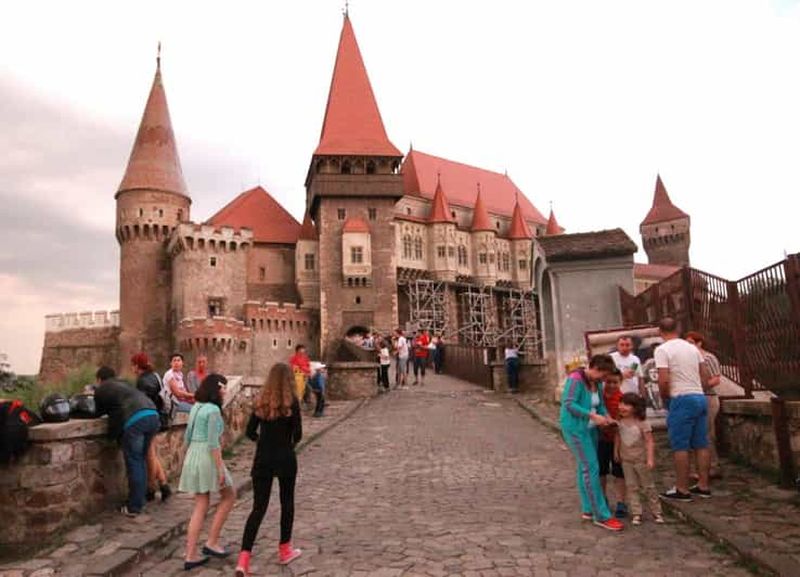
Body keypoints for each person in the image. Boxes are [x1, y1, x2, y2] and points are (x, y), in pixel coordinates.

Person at [235, 363, 303, 576]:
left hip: (263, 459)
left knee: (258, 508)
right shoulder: (291, 403)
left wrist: (261, 442)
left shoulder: (261, 403)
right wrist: (287, 444)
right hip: (285, 458)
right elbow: (298, 434)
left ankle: (243, 560)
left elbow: (249, 431)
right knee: (287, 503)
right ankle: (285, 550)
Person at [559, 354, 623, 532]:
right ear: (594, 368)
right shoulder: (575, 380)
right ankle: (601, 514)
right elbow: (569, 404)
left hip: (591, 428)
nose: (604, 380)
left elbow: (600, 404)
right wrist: (591, 415)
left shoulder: (597, 383)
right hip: (575, 429)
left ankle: (588, 508)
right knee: (591, 468)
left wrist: (607, 417)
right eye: (602, 375)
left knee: (584, 467)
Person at [179, 374, 236, 571]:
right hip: (206, 455)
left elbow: (187, 436)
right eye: (223, 388)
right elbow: (213, 443)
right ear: (216, 389)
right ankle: (211, 542)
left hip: (194, 453)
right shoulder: (212, 410)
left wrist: (186, 459)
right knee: (229, 495)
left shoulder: (196, 406)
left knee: (201, 504)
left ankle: (191, 553)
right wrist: (220, 468)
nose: (225, 391)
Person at [655, 317, 712, 501]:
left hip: (681, 397)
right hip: (699, 396)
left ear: (660, 331)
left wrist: (666, 397)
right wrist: (699, 390)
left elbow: (663, 379)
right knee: (701, 443)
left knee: (680, 445)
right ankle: (703, 485)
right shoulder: (692, 348)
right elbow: (704, 375)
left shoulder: (662, 350)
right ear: (678, 329)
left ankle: (682, 488)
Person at [93, 366, 160, 517]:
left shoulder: (101, 389)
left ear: (99, 380)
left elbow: (97, 413)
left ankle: (134, 506)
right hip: (153, 414)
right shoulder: (125, 383)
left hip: (136, 420)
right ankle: (141, 498)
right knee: (140, 460)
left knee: (135, 461)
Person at [614, 392, 664, 525]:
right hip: (626, 460)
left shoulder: (643, 423)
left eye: (626, 404)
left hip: (640, 460)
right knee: (631, 486)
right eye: (621, 403)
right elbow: (618, 437)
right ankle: (636, 513)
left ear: (635, 407)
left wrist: (650, 459)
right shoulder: (620, 422)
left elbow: (649, 441)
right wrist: (616, 452)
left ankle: (656, 511)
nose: (621, 407)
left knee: (648, 486)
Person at [130, 352, 172, 503]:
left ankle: (151, 488)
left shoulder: (142, 382)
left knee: (149, 454)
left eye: (133, 364)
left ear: (137, 365)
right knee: (151, 453)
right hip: (159, 417)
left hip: (150, 418)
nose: (131, 368)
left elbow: (144, 402)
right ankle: (164, 484)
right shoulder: (155, 375)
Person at [685, 331, 723, 480]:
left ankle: (713, 466)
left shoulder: (708, 358)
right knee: (696, 433)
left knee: (706, 432)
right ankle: (701, 467)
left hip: (707, 397)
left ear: (699, 343)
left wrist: (701, 386)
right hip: (694, 397)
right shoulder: (688, 359)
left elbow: (716, 379)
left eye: (691, 342)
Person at [597, 368, 627, 519]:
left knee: (619, 472)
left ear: (620, 383)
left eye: (615, 382)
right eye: (608, 382)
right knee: (601, 471)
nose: (611, 385)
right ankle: (603, 499)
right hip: (600, 439)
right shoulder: (599, 397)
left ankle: (621, 501)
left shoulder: (622, 400)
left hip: (618, 440)